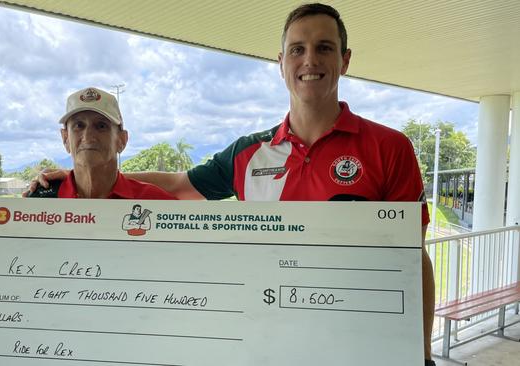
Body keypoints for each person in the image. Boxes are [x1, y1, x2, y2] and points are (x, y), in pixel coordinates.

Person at [28, 4, 435, 364]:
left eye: (324, 47)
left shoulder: (389, 147)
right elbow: (180, 185)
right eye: (297, 49)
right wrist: (87, 173)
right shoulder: (247, 152)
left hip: (360, 344)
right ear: (281, 62)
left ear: (344, 60)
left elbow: (413, 259)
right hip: (271, 339)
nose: (310, 59)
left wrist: (420, 353)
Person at [27, 86, 175, 200]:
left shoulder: (156, 201)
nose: (88, 136)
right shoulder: (41, 199)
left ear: (122, 140)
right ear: (65, 138)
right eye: (79, 126)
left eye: (101, 126)